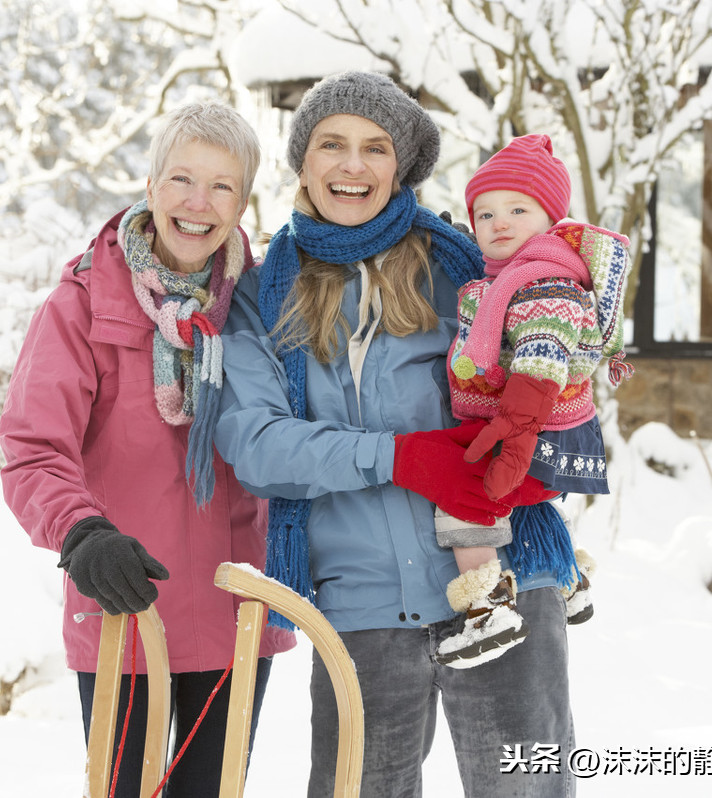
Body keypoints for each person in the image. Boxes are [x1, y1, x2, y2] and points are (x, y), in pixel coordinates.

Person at [213, 71, 577, 797]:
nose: (353, 166)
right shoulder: (264, 291)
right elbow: (254, 442)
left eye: (375, 148)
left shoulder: (467, 267)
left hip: (499, 585)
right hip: (362, 609)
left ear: (401, 165)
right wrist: (399, 457)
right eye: (332, 144)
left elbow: (556, 358)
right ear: (303, 160)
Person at [0, 102, 294, 798]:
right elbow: (33, 451)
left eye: (222, 186)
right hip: (124, 604)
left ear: (243, 200)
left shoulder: (263, 303)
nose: (199, 203)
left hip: (235, 612)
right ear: (152, 184)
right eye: (183, 180)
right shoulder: (81, 304)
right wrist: (82, 532)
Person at [432, 133, 633, 668]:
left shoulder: (542, 280)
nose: (499, 222)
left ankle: (485, 608)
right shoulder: (514, 276)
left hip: (530, 424)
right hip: (548, 426)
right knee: (525, 505)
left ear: (551, 220)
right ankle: (570, 580)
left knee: (465, 499)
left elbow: (542, 356)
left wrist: (517, 433)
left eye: (518, 209)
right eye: (486, 213)